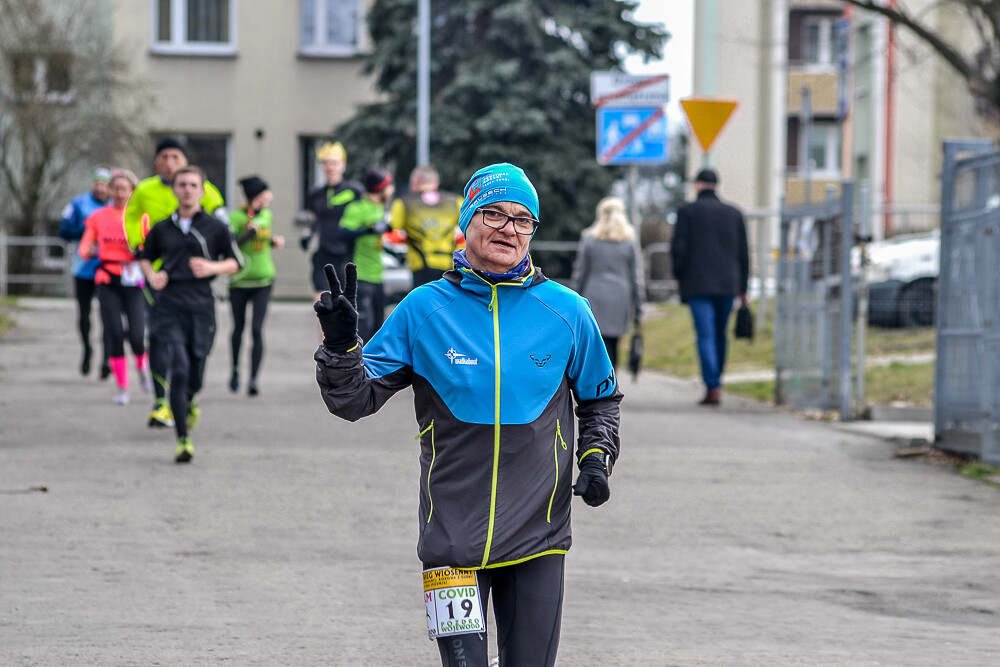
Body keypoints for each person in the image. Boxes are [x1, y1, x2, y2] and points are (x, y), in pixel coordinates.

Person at [313, 163, 622, 667]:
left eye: (524, 220)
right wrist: (342, 345)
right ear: (468, 221)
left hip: (537, 534)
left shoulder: (567, 310)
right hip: (451, 538)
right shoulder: (423, 309)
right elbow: (352, 400)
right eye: (495, 214)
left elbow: (599, 398)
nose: (509, 229)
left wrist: (595, 457)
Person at [137, 166, 242, 463]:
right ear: (174, 189)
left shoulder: (215, 227)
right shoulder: (161, 228)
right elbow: (145, 257)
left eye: (193, 185)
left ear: (202, 189)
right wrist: (152, 275)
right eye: (181, 184)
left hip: (201, 306)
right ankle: (183, 439)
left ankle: (190, 400)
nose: (186, 189)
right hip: (169, 304)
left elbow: (236, 262)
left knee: (195, 373)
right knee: (179, 369)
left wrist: (212, 268)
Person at [125, 136, 227, 427]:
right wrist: (137, 244)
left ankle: (185, 396)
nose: (169, 162)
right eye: (164, 157)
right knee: (157, 338)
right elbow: (131, 217)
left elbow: (220, 218)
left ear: (185, 162)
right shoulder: (145, 189)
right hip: (158, 275)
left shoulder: (200, 188)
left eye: (175, 157)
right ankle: (161, 402)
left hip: (193, 280)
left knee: (194, 349)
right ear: (157, 161)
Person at [670, 168, 749, 406]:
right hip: (728, 284)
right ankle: (716, 383)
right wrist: (743, 287)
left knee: (705, 334)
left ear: (698, 185)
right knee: (720, 334)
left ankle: (712, 385)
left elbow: (678, 250)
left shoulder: (687, 212)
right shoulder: (734, 214)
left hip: (697, 285)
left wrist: (680, 277)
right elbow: (743, 253)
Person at [78, 169, 150, 405]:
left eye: (124, 189)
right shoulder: (98, 217)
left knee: (138, 335)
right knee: (114, 334)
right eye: (115, 188)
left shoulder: (141, 218)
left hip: (133, 279)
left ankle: (142, 368)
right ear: (109, 190)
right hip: (107, 279)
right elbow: (84, 247)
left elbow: (152, 248)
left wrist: (139, 251)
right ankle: (122, 386)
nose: (119, 193)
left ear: (132, 192)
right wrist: (89, 251)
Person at [227, 175, 285, 396]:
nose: (269, 198)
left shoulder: (267, 215)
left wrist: (273, 241)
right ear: (256, 197)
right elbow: (231, 244)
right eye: (265, 194)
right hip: (240, 281)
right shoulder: (236, 217)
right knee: (238, 329)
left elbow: (264, 236)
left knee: (257, 329)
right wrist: (248, 231)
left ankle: (253, 379)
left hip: (264, 280)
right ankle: (234, 370)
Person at [571, 196, 644, 368]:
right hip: (620, 297)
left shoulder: (589, 238)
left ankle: (596, 384)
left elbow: (580, 272)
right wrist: (639, 305)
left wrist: (574, 298)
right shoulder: (630, 240)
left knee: (595, 343)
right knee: (614, 343)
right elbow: (636, 276)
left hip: (593, 295)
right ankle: (611, 382)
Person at [58, 166, 111, 378]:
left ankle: (107, 357)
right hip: (83, 269)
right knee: (85, 313)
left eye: (104, 184)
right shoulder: (78, 204)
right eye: (97, 183)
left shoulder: (115, 206)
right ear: (92, 184)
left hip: (108, 268)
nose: (100, 187)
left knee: (109, 314)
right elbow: (63, 231)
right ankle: (87, 348)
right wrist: (90, 229)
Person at [299, 141, 364, 298]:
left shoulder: (354, 191)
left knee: (345, 302)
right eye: (326, 163)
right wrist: (308, 234)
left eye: (334, 163)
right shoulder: (315, 194)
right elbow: (316, 219)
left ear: (343, 165)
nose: (330, 167)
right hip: (324, 252)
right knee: (323, 301)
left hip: (347, 254)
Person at [338, 167, 394, 342]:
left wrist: (392, 251)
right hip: (361, 275)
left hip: (378, 275)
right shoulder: (358, 208)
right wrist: (369, 229)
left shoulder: (379, 208)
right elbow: (343, 232)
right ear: (379, 188)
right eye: (388, 186)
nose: (391, 190)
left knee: (378, 327)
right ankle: (358, 368)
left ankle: (372, 369)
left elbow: (375, 242)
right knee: (363, 328)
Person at [389, 164, 463, 286]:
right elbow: (467, 230)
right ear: (436, 182)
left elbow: (392, 233)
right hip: (449, 265)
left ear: (415, 181)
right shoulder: (455, 201)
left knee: (423, 303)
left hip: (420, 266)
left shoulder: (403, 203)